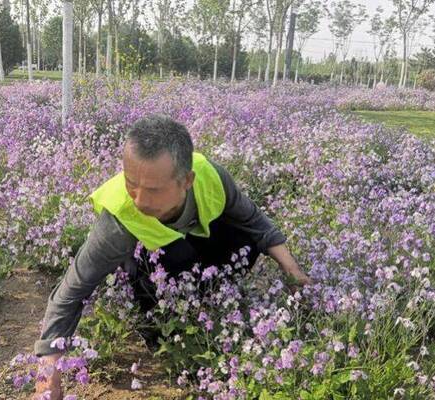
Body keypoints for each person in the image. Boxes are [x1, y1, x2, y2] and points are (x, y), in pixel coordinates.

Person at [32, 114, 312, 399]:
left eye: (153, 190)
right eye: (131, 184)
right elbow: (71, 291)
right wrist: (48, 374)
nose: (139, 200)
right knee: (173, 258)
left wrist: (293, 272)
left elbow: (257, 224)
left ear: (186, 181)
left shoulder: (211, 177)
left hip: (195, 263)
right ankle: (158, 326)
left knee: (245, 241)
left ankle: (212, 303)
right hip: (154, 280)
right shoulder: (118, 220)